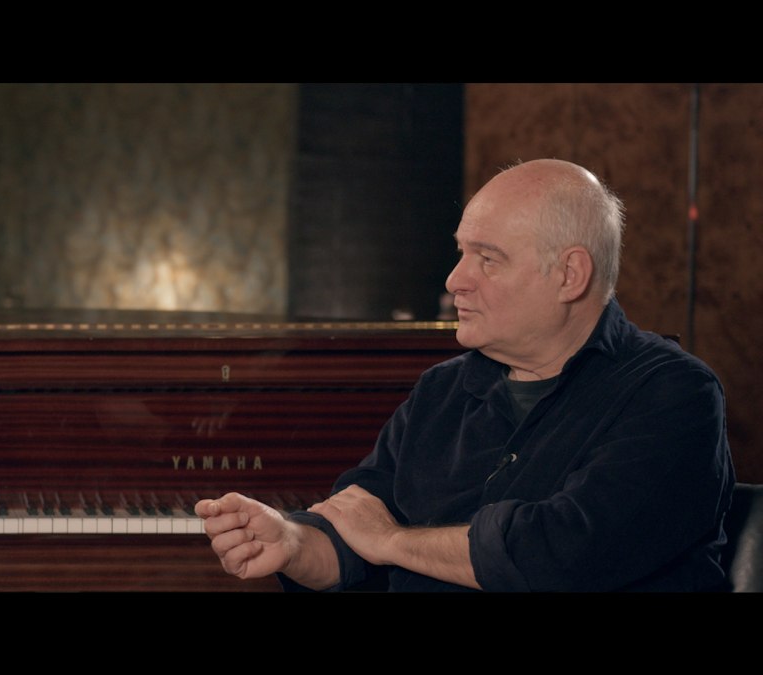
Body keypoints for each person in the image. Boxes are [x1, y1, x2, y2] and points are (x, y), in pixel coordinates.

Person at [197, 159, 735, 592]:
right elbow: (352, 535)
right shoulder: (441, 389)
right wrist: (292, 543)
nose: (455, 279)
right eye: (461, 253)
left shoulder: (674, 393)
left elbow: (561, 554)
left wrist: (391, 541)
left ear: (570, 275)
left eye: (488, 259)